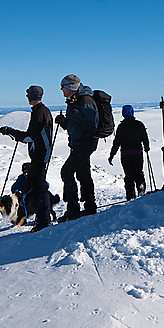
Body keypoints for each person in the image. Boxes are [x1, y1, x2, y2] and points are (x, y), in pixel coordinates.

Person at [0, 85, 54, 233]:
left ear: (31, 96)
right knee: (36, 187)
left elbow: (30, 136)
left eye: (28, 95)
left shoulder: (39, 112)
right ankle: (42, 219)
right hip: (40, 154)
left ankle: (44, 221)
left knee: (39, 188)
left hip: (39, 155)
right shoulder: (42, 111)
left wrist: (10, 131)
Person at [55, 74, 99, 222]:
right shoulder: (74, 101)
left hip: (84, 144)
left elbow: (90, 124)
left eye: (63, 87)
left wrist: (74, 112)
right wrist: (63, 122)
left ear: (71, 87)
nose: (61, 89)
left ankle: (73, 210)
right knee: (83, 174)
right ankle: (89, 207)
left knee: (66, 172)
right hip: (79, 143)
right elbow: (73, 125)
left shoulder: (85, 100)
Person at [109, 105, 150, 200]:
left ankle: (130, 196)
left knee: (129, 175)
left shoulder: (121, 127)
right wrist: (146, 147)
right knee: (139, 172)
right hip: (137, 153)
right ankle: (141, 187)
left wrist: (112, 155)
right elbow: (145, 138)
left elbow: (117, 142)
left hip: (125, 155)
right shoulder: (139, 124)